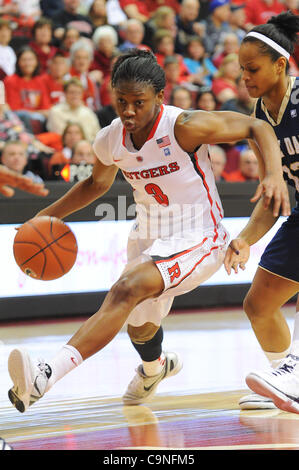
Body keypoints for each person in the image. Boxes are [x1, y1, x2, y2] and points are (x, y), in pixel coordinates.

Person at [6, 49, 289, 414]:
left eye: (138, 103)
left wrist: (272, 174)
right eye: (120, 101)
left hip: (199, 236)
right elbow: (95, 184)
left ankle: (43, 376)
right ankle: (155, 368)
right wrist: (41, 217)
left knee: (126, 289)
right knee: (138, 324)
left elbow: (258, 127)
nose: (128, 111)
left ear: (159, 97)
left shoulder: (184, 125)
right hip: (149, 233)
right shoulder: (110, 138)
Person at [223, 12, 299, 413]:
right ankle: (282, 382)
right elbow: (276, 190)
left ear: (280, 65)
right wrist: (244, 239)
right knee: (259, 303)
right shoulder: (258, 117)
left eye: (252, 69)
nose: (245, 77)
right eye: (241, 70)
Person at [46, 77, 100, 142]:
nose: (75, 96)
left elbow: (97, 136)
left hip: (89, 149)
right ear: (65, 94)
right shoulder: (56, 112)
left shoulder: (88, 112)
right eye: (72, 92)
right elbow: (60, 138)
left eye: (78, 93)